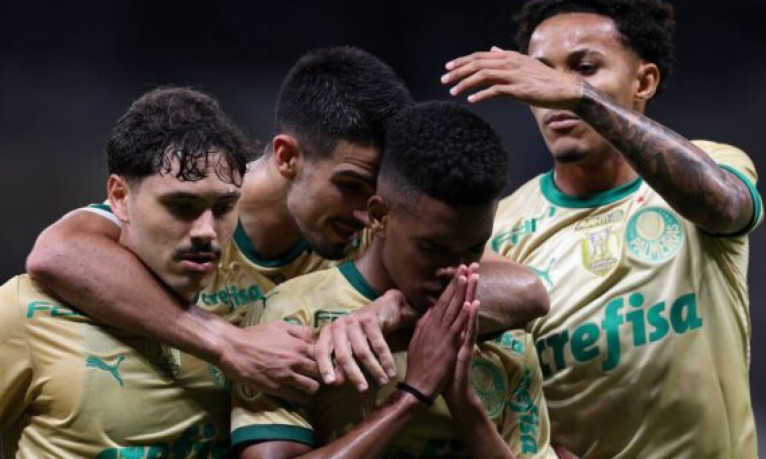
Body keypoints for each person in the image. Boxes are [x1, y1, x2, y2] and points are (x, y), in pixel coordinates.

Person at [26, 46, 550, 402]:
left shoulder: (371, 228)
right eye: (350, 184)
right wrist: (227, 344)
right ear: (287, 156)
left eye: (377, 193)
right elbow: (57, 252)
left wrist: (397, 306)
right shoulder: (199, 209)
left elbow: (524, 290)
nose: (367, 211)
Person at [441, 0, 763, 458]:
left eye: (585, 67)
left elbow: (725, 206)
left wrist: (580, 96)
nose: (552, 91)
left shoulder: (712, 166)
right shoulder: (498, 230)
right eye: (541, 73)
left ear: (644, 81)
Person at [232, 101, 555, 459]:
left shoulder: (505, 333)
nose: (455, 270)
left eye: (474, 248)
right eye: (433, 248)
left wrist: (467, 411)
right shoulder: (293, 316)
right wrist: (411, 398)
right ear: (378, 216)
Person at [0, 87, 254, 456]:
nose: (206, 231)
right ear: (120, 197)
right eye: (181, 206)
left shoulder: (251, 306)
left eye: (224, 207)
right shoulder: (23, 312)